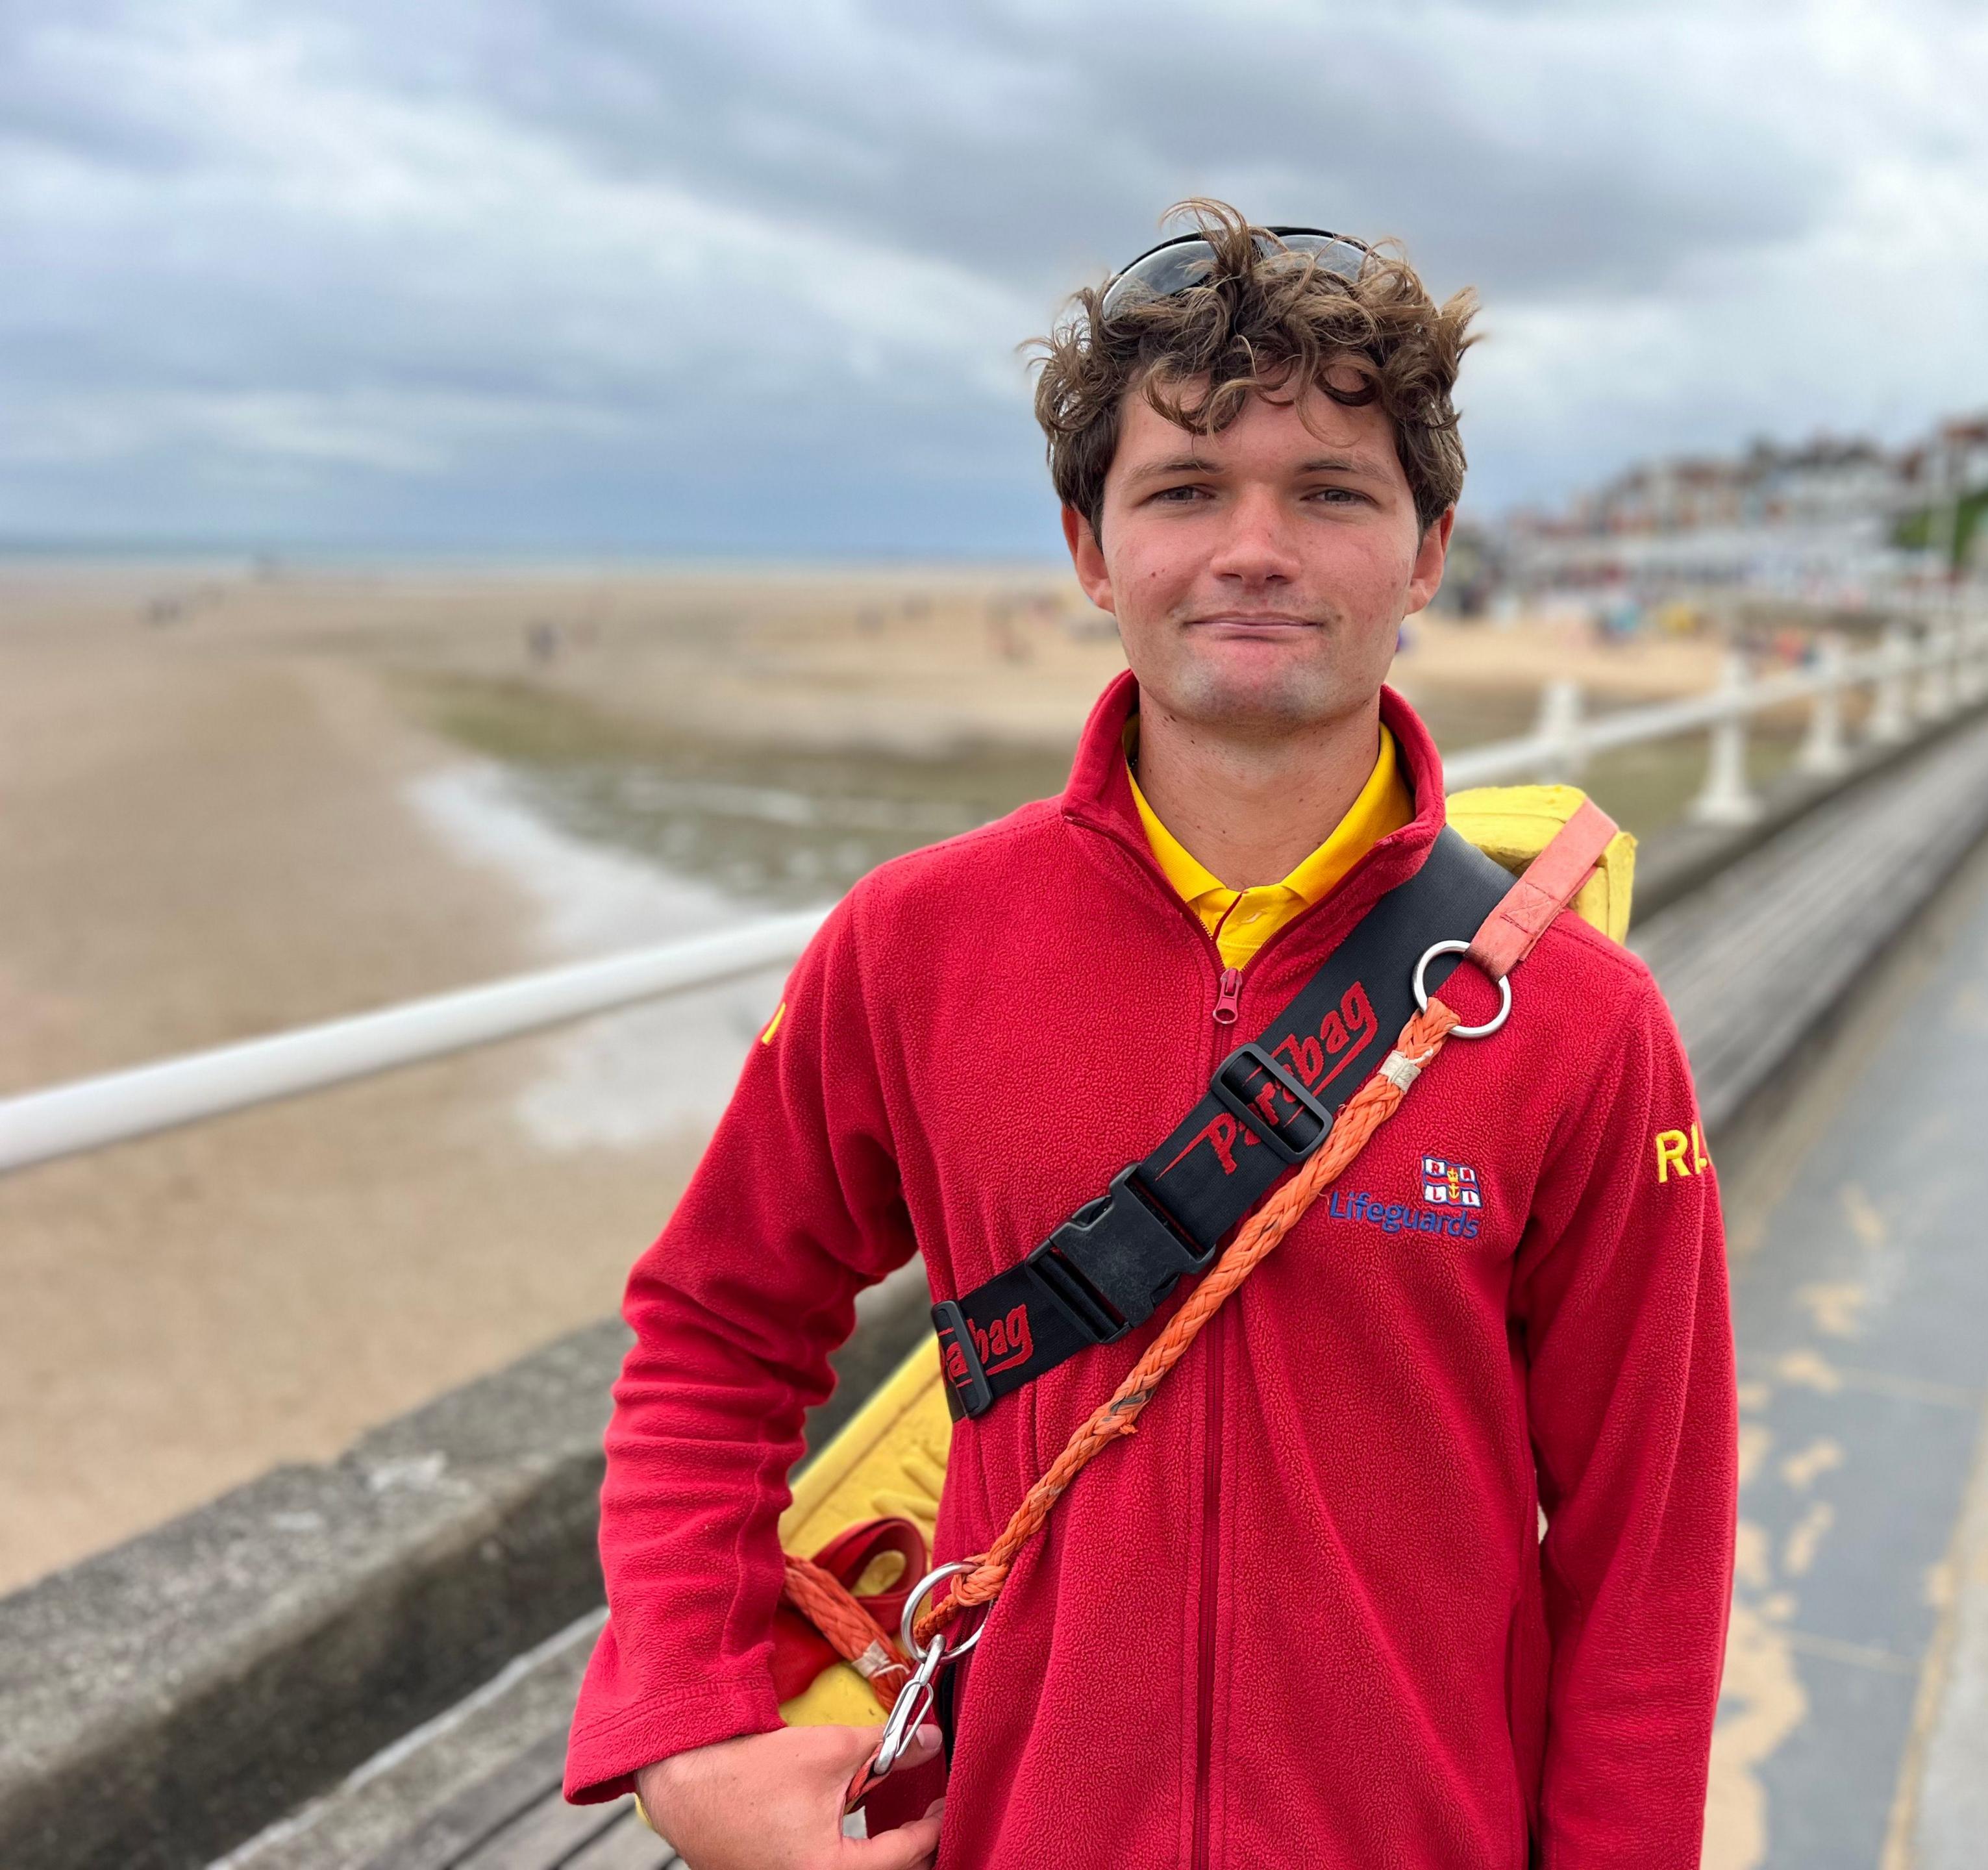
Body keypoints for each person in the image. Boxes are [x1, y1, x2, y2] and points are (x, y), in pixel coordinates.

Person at [561, 202, 1738, 1869]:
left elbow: (1647, 1554)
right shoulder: (911, 945)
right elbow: (712, 1330)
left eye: (1329, 492)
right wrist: (681, 1725)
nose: (1253, 547)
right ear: (1090, 550)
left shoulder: (1580, 1021)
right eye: (1185, 491)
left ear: (1425, 551)